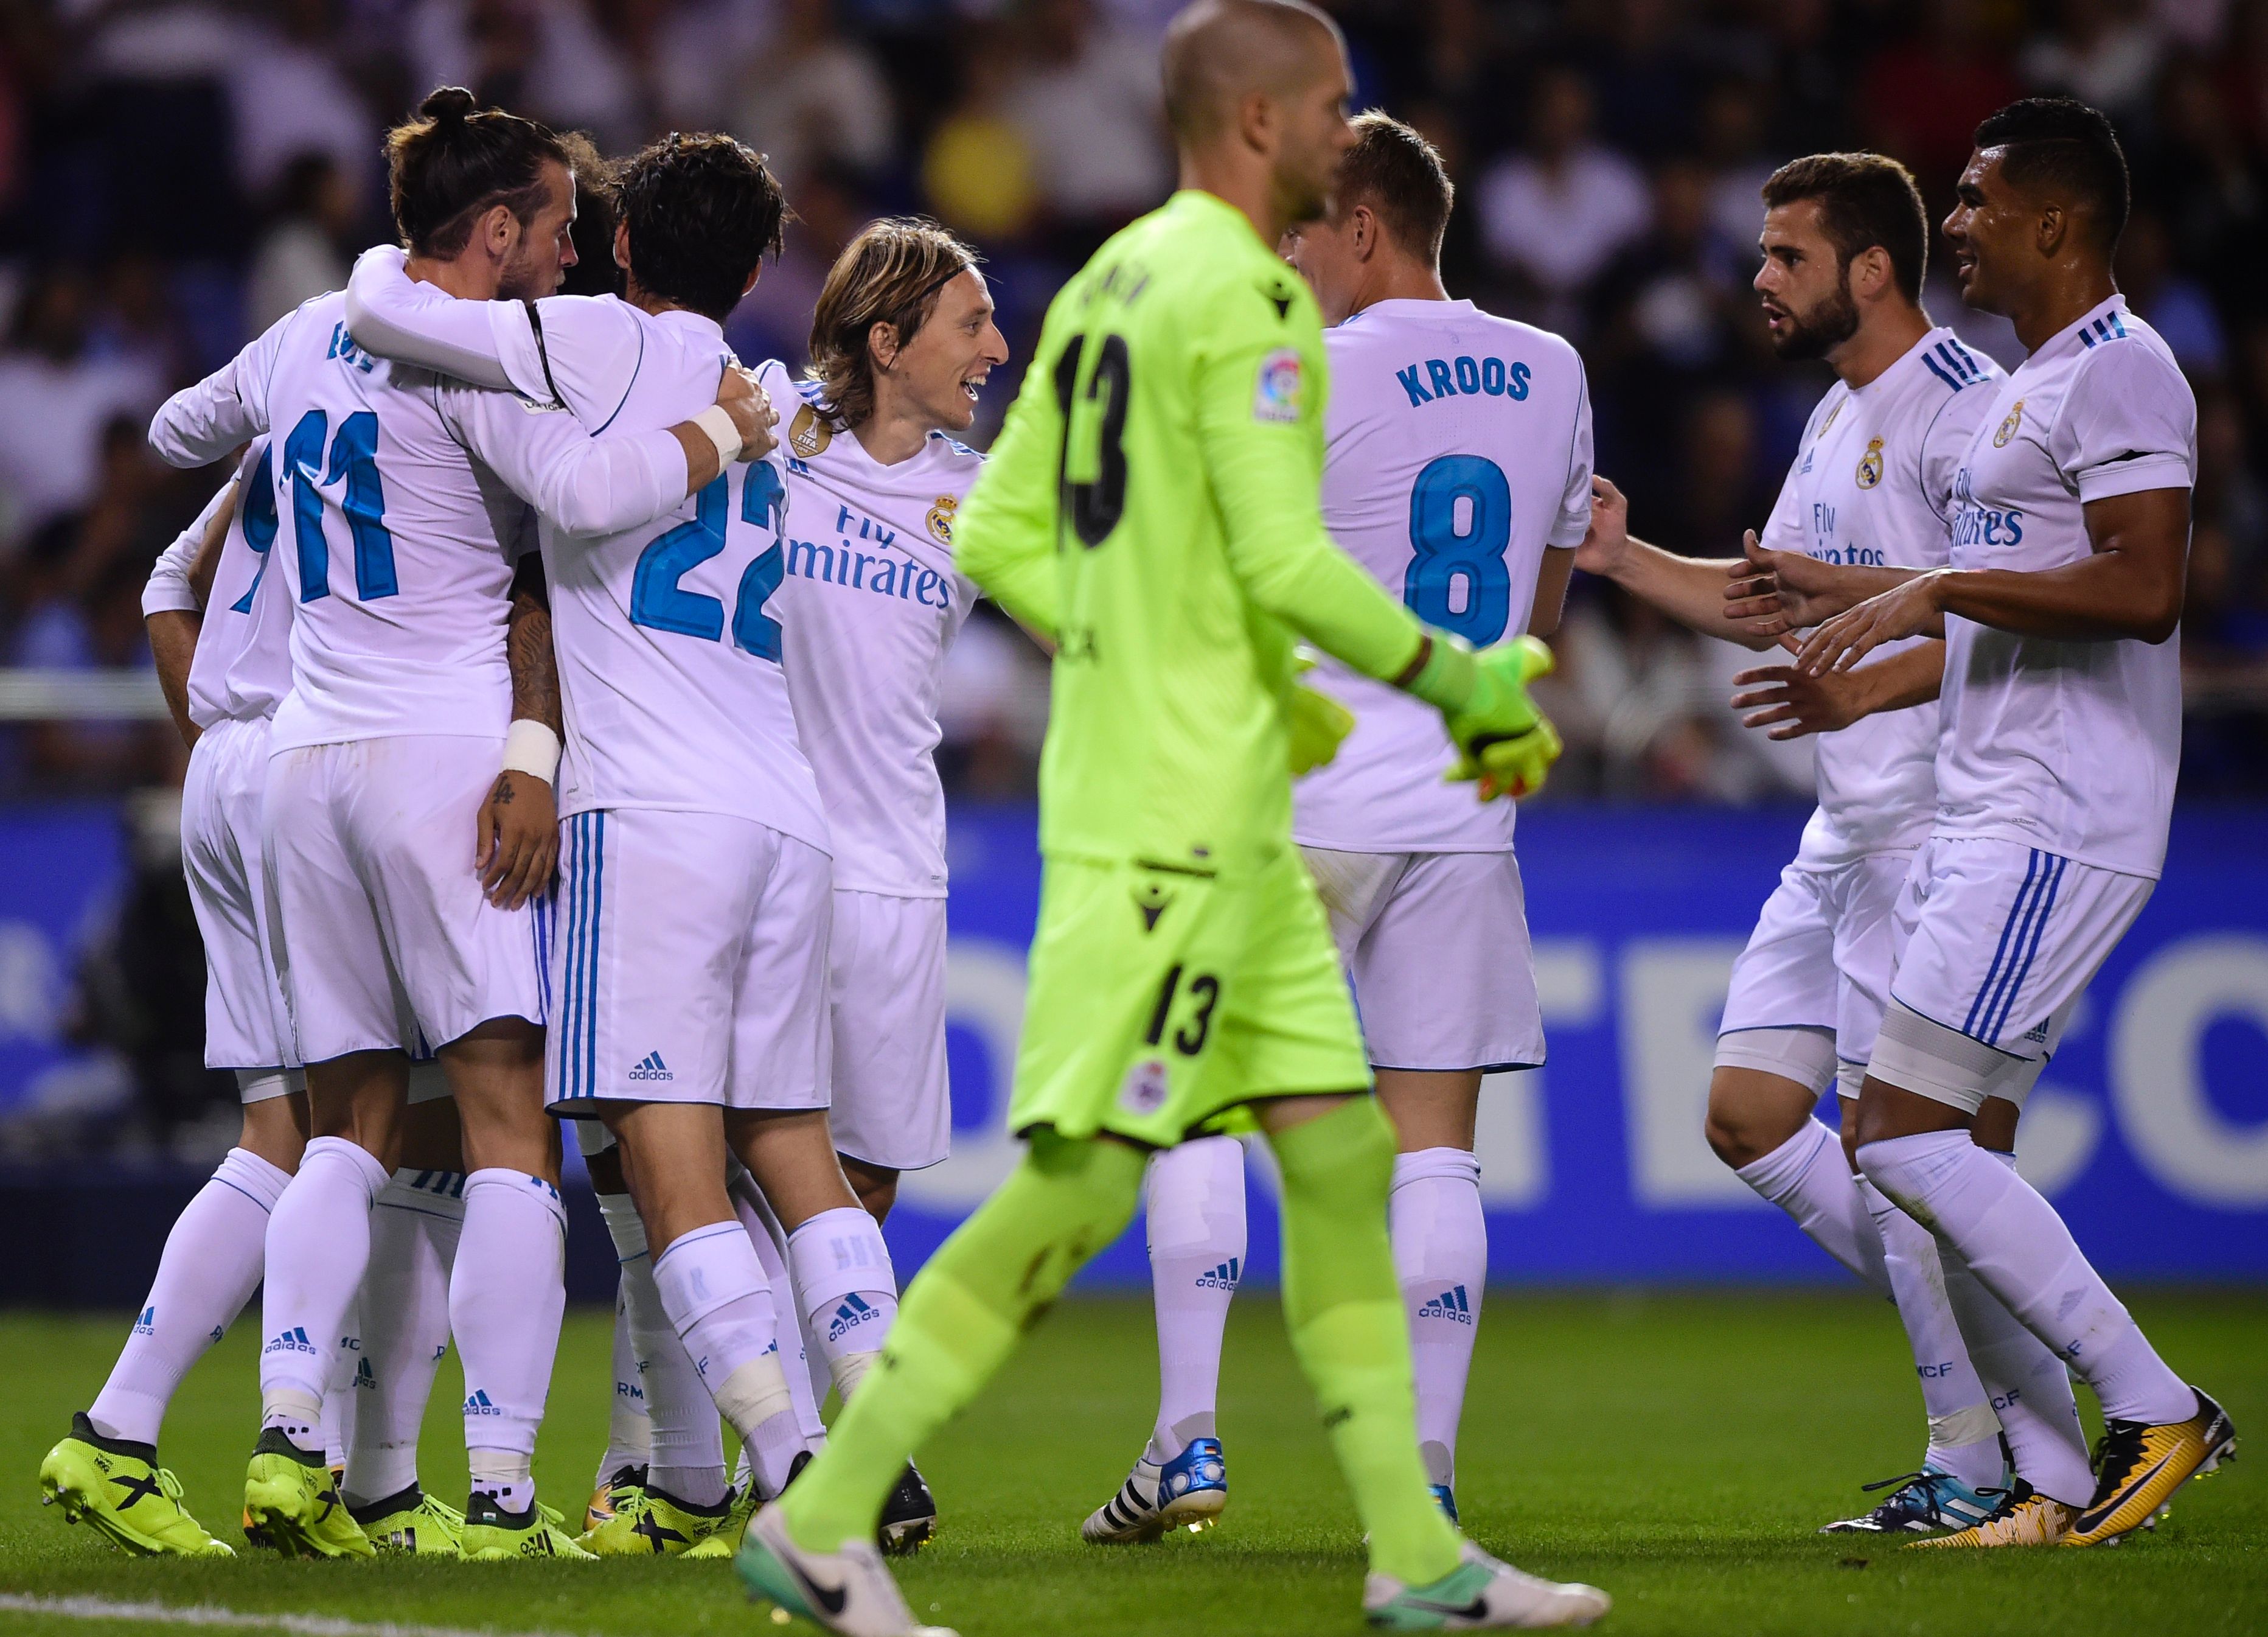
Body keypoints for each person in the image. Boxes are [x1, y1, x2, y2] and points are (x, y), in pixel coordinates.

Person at [735, 5, 1604, 1633]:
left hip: (1238, 812)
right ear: (1265, 119)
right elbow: (1279, 562)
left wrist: (1186, 659)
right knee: (1080, 1179)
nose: (1355, 129)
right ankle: (825, 1518)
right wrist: (1458, 681)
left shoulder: (1120, 279)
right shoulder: (1258, 297)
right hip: (1170, 822)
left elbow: (997, 528)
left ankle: (1420, 1559)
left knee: (1341, 1163)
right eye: (1338, 103)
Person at [146, 87, 768, 1560]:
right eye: (555, 227)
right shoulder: (489, 368)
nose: (571, 252)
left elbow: (180, 428)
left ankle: (291, 1446)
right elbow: (598, 493)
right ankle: (495, 1492)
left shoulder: (310, 333)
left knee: (342, 1131)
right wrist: (721, 429)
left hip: (301, 758)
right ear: (495, 229)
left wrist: (278, 444)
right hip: (443, 766)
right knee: (504, 1129)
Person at [340, 128, 933, 1561]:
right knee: (794, 1151)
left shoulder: (588, 338)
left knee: (670, 1173)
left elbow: (386, 310)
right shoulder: (779, 399)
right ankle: (882, 1441)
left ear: (613, 247)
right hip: (786, 815)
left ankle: (796, 1463)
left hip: (651, 817)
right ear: (752, 269)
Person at [1576, 150, 2111, 1539]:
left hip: (1935, 827)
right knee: (1751, 1118)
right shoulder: (1832, 413)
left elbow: (2011, 611)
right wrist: (1625, 557)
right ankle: (2022, 1388)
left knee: (1903, 1153)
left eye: (1787, 256)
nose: (1758, 277)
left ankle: (1990, 1454)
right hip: (1840, 829)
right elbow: (1783, 606)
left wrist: (1862, 685)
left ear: (1871, 268)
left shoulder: (1965, 416)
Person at [1082, 111, 1590, 1543]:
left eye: (1299, 231)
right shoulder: (1555, 368)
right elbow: (1540, 616)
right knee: (1434, 1149)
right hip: (1460, 808)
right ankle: (1421, 1481)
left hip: (1296, 794)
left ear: (1360, 226)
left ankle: (1188, 1438)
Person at [1750, 97, 2235, 1549]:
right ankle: (2056, 1479)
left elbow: (2145, 588)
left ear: (2053, 222)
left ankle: (2155, 1408)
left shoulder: (2127, 372)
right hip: (1989, 804)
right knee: (1918, 1144)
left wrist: (1942, 587)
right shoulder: (2030, 386)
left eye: (1971, 200)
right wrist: (1886, 625)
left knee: (1900, 1137)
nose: (1951, 222)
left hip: (2054, 814)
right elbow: (2004, 602)